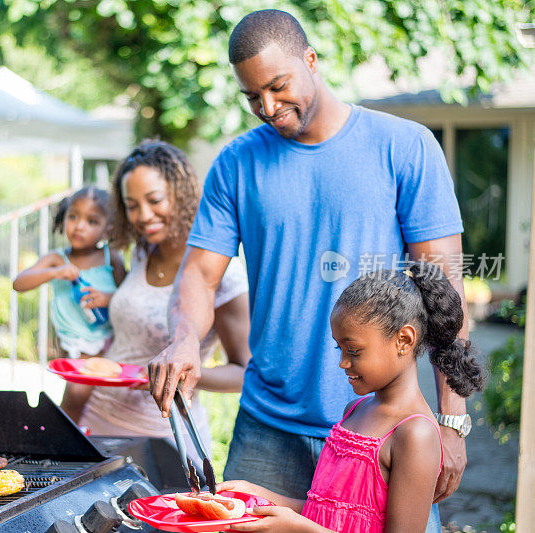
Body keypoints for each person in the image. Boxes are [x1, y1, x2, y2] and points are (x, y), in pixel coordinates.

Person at [147, 10, 471, 530]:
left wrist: (452, 422)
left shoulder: (405, 147)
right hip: (267, 429)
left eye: (278, 87)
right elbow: (200, 275)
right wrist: (185, 339)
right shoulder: (236, 164)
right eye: (253, 98)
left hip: (385, 428)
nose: (268, 108)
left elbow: (444, 291)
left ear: (311, 61)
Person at [219, 263, 485, 532]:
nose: (343, 363)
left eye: (354, 351)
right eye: (340, 349)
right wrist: (253, 494)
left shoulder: (415, 433)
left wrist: (299, 529)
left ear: (403, 340)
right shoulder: (354, 410)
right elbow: (324, 511)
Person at [76, 140, 252, 461]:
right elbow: (140, 315)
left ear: (181, 196)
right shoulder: (143, 250)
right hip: (98, 420)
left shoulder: (222, 271)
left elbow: (245, 372)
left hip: (164, 438)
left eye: (155, 200)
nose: (143, 216)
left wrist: (176, 374)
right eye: (132, 205)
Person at [12, 186, 125, 420]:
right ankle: (66, 435)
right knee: (75, 394)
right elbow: (19, 283)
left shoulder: (111, 258)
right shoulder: (56, 259)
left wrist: (108, 297)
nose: (79, 225)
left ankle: (66, 435)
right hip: (74, 345)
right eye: (73, 217)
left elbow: (128, 296)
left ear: (107, 230)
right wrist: (55, 273)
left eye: (92, 221)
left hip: (108, 342)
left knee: (82, 398)